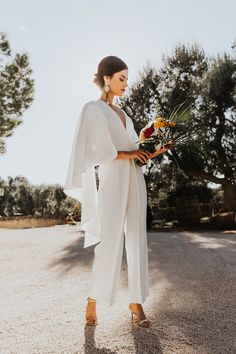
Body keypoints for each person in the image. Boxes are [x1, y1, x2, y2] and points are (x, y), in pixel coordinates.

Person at [63, 55, 167, 327]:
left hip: (135, 179)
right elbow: (97, 151)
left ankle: (136, 302)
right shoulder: (93, 109)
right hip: (112, 181)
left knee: (136, 238)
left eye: (127, 80)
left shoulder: (124, 115)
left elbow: (135, 149)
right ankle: (93, 299)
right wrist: (132, 151)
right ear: (106, 78)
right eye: (121, 78)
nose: (126, 84)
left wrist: (153, 150)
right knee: (109, 241)